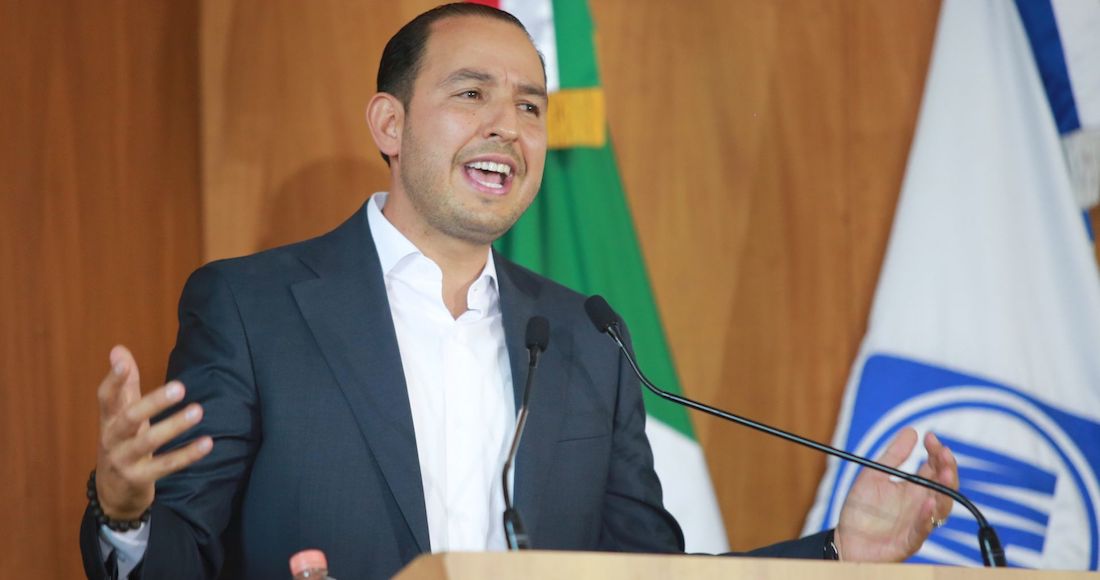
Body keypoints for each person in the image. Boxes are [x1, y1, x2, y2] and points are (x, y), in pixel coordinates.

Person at [80, 4, 958, 579]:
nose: (509, 125)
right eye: (472, 94)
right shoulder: (252, 309)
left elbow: (648, 575)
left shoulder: (586, 339)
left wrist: (841, 552)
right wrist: (126, 515)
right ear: (390, 124)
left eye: (532, 107)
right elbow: (176, 558)